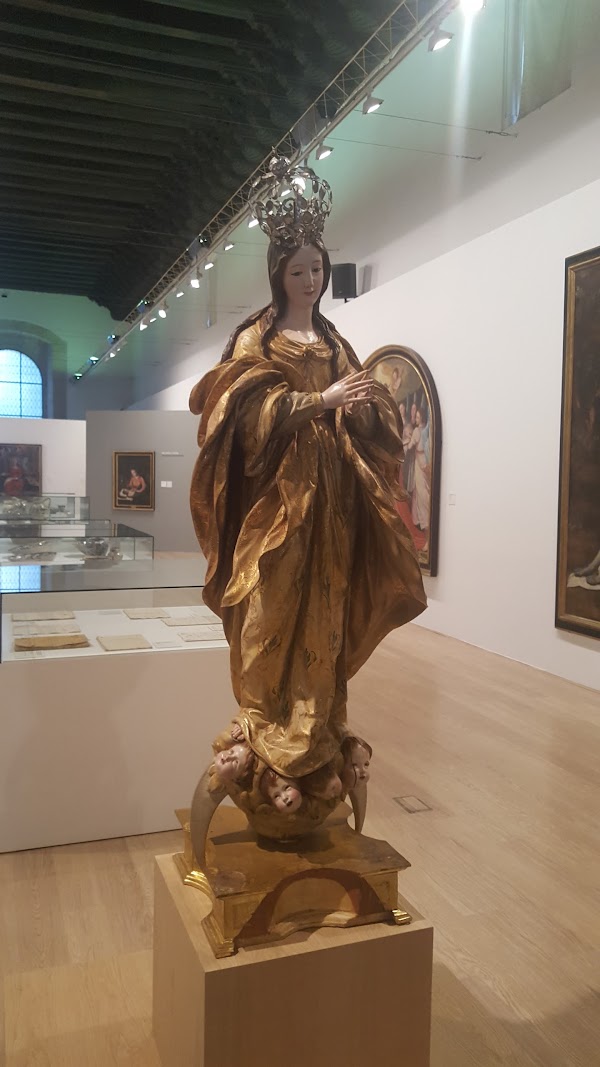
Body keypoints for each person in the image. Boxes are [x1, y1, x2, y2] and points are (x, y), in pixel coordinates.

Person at [189, 158, 426, 837]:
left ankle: (317, 722)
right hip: (279, 501)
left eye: (318, 270)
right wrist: (320, 400)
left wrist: (363, 405)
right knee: (269, 603)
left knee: (325, 606)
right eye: (299, 271)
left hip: (333, 502)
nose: (311, 281)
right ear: (278, 274)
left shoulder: (332, 340)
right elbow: (238, 414)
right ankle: (264, 720)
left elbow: (367, 403)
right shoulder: (256, 339)